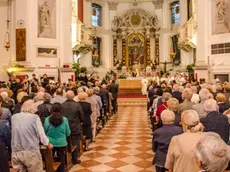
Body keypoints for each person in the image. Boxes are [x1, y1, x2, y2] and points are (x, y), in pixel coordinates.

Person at [11, 98, 52, 172]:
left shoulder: (14, 117)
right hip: (31, 151)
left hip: (16, 151)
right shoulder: (34, 117)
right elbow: (41, 134)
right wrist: (47, 143)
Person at [44, 103, 71, 172]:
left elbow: (44, 132)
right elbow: (68, 133)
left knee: (50, 160)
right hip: (61, 143)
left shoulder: (47, 119)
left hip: (50, 143)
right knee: (61, 159)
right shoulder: (64, 119)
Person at [62, 90, 84, 164]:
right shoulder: (77, 105)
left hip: (65, 126)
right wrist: (80, 121)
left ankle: (65, 160)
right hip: (75, 125)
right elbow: (81, 115)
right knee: (75, 142)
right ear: (73, 96)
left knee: (65, 142)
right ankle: (74, 159)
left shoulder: (62, 105)